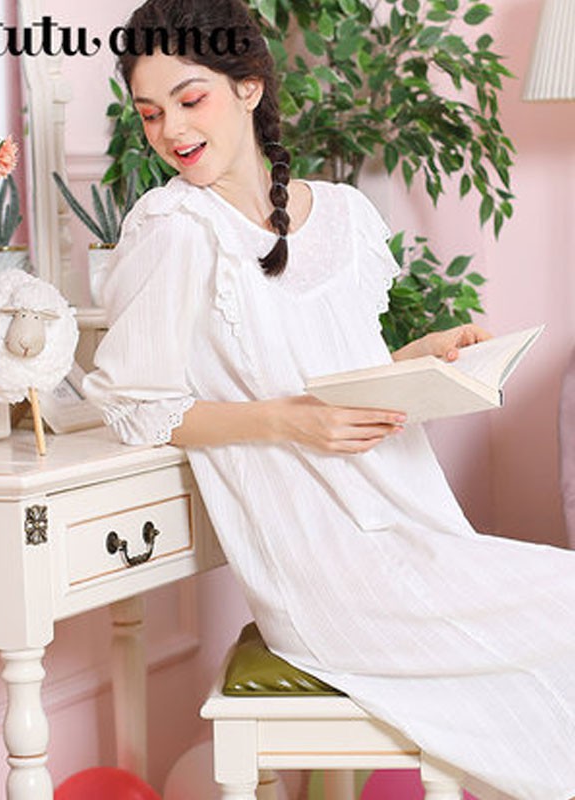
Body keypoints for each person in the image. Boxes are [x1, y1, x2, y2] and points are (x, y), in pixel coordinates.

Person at [83, 2, 575, 799]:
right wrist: (287, 421)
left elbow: (346, 377)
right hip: (326, 573)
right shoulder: (174, 228)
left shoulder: (343, 215)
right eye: (150, 113)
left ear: (248, 87)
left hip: (415, 527)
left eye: (189, 98)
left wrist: (422, 358)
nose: (171, 129)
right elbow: (137, 406)